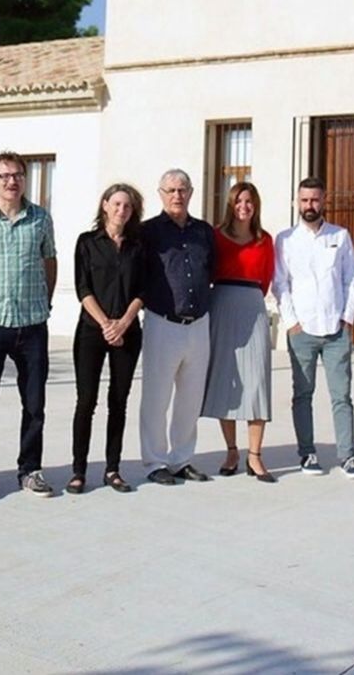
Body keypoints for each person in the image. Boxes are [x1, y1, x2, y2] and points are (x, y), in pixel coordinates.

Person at [0, 151, 57, 500]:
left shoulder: (41, 219)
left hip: (32, 324)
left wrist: (44, 303)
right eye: (3, 176)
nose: (11, 181)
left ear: (25, 178)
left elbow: (50, 261)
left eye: (17, 174)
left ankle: (30, 469)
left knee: (34, 404)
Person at [273, 177, 354, 478]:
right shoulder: (285, 239)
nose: (309, 206)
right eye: (304, 200)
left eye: (314, 200)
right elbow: (280, 283)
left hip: (336, 329)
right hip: (303, 330)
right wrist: (292, 322)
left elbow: (351, 279)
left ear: (324, 200)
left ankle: (348, 456)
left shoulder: (340, 235)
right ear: (296, 202)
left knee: (342, 396)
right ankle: (307, 453)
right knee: (302, 394)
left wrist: (347, 317)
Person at [138, 168, 216, 486]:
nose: (177, 195)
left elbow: (210, 270)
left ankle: (181, 459)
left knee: (190, 398)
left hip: (198, 324)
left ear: (191, 193)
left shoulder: (204, 232)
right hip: (162, 323)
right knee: (156, 398)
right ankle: (154, 461)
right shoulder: (148, 232)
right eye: (170, 190)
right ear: (160, 194)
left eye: (182, 189)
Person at [69, 183, 146, 494]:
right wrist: (105, 324)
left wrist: (124, 323)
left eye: (127, 206)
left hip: (128, 331)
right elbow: (82, 288)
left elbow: (144, 289)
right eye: (116, 204)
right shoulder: (87, 243)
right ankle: (78, 471)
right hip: (91, 330)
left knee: (119, 401)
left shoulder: (139, 247)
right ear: (104, 205)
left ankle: (112, 469)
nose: (121, 210)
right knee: (86, 401)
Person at [201, 182, 277, 483]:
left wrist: (252, 300)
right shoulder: (216, 236)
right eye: (239, 201)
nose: (244, 206)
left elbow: (268, 277)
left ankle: (255, 455)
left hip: (253, 305)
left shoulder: (265, 240)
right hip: (222, 304)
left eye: (249, 201)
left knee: (256, 380)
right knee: (226, 380)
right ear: (230, 204)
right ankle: (232, 450)